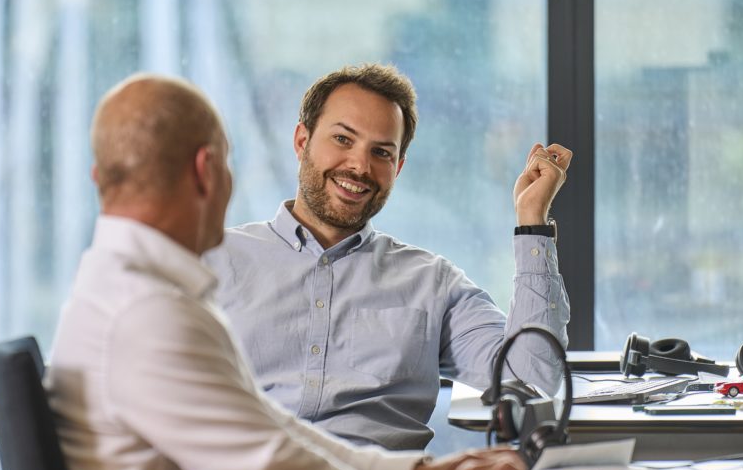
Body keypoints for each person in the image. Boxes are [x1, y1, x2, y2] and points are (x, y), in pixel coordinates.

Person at [45, 74, 527, 470]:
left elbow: (272, 432)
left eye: (381, 151)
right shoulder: (150, 313)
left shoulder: (119, 289)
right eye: (229, 162)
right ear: (206, 171)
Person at [204, 63, 573, 450]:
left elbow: (533, 376)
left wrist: (532, 222)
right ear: (302, 141)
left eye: (381, 152)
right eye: (343, 139)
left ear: (397, 167)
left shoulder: (431, 284)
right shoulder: (214, 261)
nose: (360, 166)